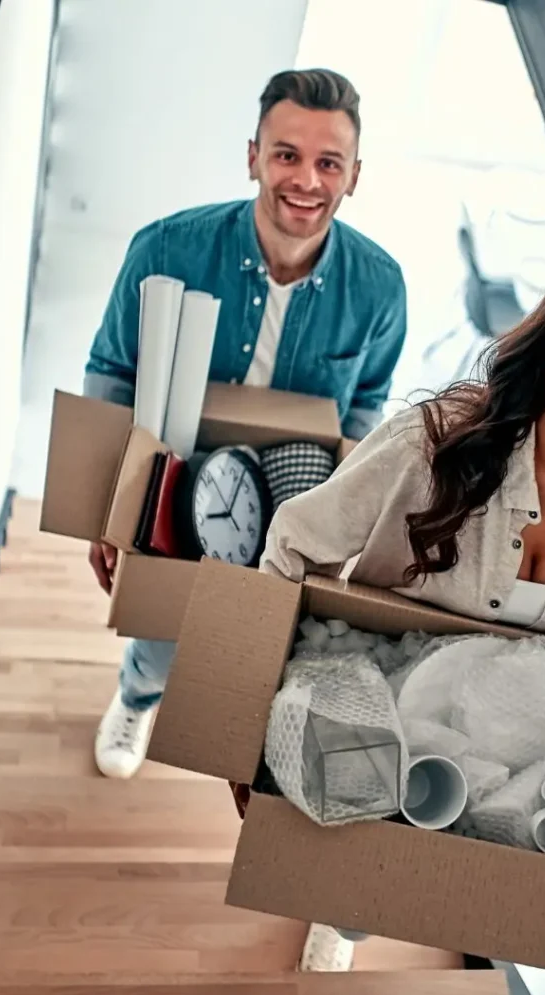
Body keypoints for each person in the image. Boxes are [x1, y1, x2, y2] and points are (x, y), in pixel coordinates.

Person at [257, 222, 545, 970]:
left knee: (473, 900)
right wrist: (244, 721)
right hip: (383, 727)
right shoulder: (430, 444)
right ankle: (345, 911)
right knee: (354, 874)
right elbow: (291, 550)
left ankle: (389, 917)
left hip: (530, 770)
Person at [84, 68, 407, 780]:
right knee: (163, 628)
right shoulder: (165, 250)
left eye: (330, 163)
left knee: (253, 639)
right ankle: (138, 698)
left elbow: (365, 406)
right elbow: (110, 372)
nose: (306, 180)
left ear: (354, 177)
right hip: (174, 467)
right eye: (287, 154)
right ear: (253, 155)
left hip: (291, 493)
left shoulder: (380, 288)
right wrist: (107, 509)